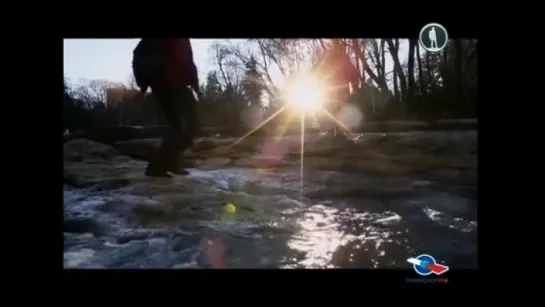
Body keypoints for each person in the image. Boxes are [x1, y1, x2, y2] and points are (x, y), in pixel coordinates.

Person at [132, 38, 201, 177]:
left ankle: (171, 163)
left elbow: (188, 61)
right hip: (164, 84)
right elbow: (139, 55)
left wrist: (195, 85)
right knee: (181, 127)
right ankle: (157, 166)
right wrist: (144, 83)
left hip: (181, 85)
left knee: (193, 126)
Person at [313, 40, 360, 137]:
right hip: (332, 88)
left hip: (337, 88)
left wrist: (355, 85)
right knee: (333, 108)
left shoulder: (339, 57)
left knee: (338, 108)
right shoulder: (331, 56)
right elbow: (320, 70)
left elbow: (351, 71)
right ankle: (334, 129)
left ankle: (338, 130)